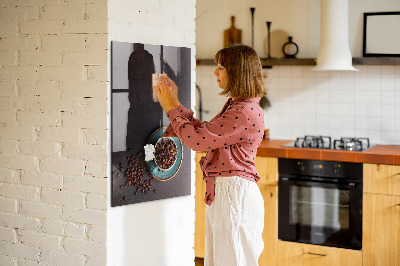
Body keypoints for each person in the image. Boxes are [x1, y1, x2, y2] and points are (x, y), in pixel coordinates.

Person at [153, 44, 266, 266]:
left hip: (234, 196)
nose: (215, 72)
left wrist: (169, 108)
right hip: (228, 194)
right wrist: (175, 103)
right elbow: (205, 133)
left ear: (237, 71)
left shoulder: (243, 111)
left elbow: (197, 141)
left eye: (221, 67)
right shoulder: (239, 106)